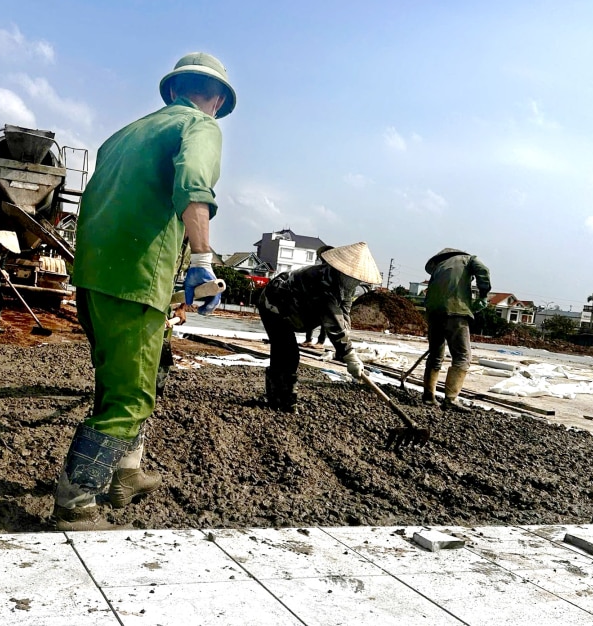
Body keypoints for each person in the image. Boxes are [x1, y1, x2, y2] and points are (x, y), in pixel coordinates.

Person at [52, 52, 236, 530]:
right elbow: (194, 185)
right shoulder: (201, 126)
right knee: (131, 397)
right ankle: (75, 503)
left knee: (122, 382)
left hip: (95, 276)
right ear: (215, 98)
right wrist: (200, 260)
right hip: (136, 280)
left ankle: (127, 473)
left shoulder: (123, 136)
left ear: (173, 90)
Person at [257, 242, 382, 412]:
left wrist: (346, 349)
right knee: (287, 353)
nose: (356, 281)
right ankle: (280, 399)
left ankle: (281, 399)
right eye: (354, 277)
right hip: (274, 304)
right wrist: (349, 355)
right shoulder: (323, 282)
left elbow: (344, 314)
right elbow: (333, 322)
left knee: (285, 354)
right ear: (344, 270)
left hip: (296, 309)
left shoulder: (345, 286)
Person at [421, 248, 491, 410]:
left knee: (435, 354)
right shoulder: (468, 260)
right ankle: (450, 399)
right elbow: (483, 271)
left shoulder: (439, 268)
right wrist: (483, 294)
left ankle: (428, 396)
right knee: (462, 356)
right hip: (455, 312)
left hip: (433, 313)